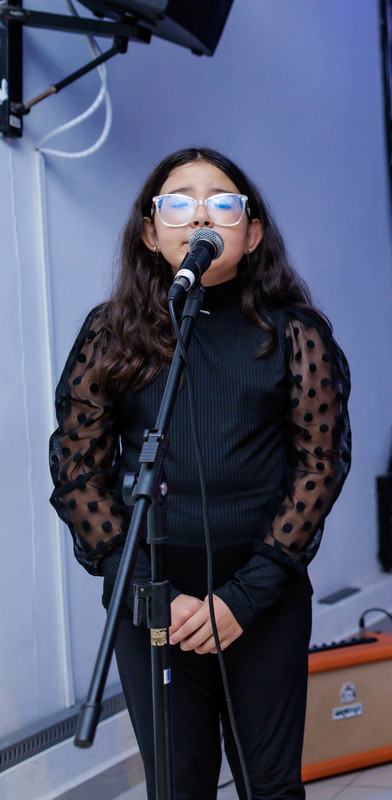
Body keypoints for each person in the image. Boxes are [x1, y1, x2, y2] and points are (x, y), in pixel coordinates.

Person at [49, 147, 351, 800]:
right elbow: (78, 472)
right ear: (149, 233)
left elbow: (319, 466)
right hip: (151, 597)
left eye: (222, 202)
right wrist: (146, 592)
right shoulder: (111, 333)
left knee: (270, 786)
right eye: (178, 203)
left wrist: (243, 597)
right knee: (176, 785)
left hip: (261, 596)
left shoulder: (294, 333)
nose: (200, 217)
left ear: (253, 232)